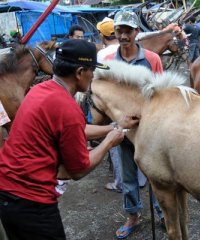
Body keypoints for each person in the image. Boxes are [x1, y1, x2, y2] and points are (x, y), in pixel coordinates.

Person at [0, 39, 140, 240]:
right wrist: (109, 141)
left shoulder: (41, 90)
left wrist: (115, 126)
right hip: (31, 201)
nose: (93, 76)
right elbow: (78, 170)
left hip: (6, 191)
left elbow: (75, 130)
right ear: (80, 72)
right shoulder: (67, 107)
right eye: (92, 70)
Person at [102, 10, 164, 239]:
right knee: (128, 176)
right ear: (115, 32)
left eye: (128, 30)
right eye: (120, 30)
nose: (124, 34)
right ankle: (132, 217)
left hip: (150, 128)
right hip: (123, 129)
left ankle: (162, 212)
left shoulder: (152, 59)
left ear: (137, 31)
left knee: (156, 174)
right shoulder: (108, 62)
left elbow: (161, 94)